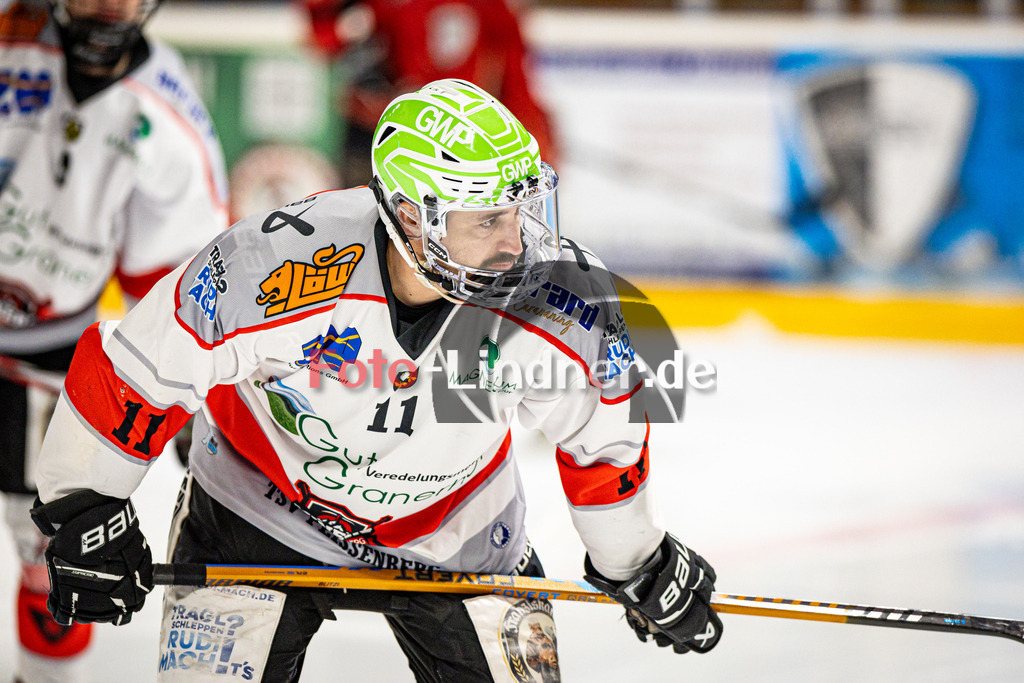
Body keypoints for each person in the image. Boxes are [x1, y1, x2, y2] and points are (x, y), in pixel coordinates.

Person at [29, 78, 721, 682]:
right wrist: (83, 509)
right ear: (415, 220)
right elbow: (139, 368)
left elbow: (603, 439)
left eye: (519, 211)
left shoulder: (561, 300)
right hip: (258, 510)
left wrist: (637, 560)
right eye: (488, 219)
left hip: (458, 531)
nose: (517, 242)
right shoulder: (276, 264)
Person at [0, 0, 228, 680]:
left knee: (51, 549)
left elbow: (176, 277)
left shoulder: (166, 113)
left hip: (50, 351)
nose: (106, 7)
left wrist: (193, 392)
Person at [301, 0, 557, 187]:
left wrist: (532, 150)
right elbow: (325, 38)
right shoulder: (385, 8)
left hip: (462, 150)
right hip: (390, 141)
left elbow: (516, 88)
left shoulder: (493, 11)